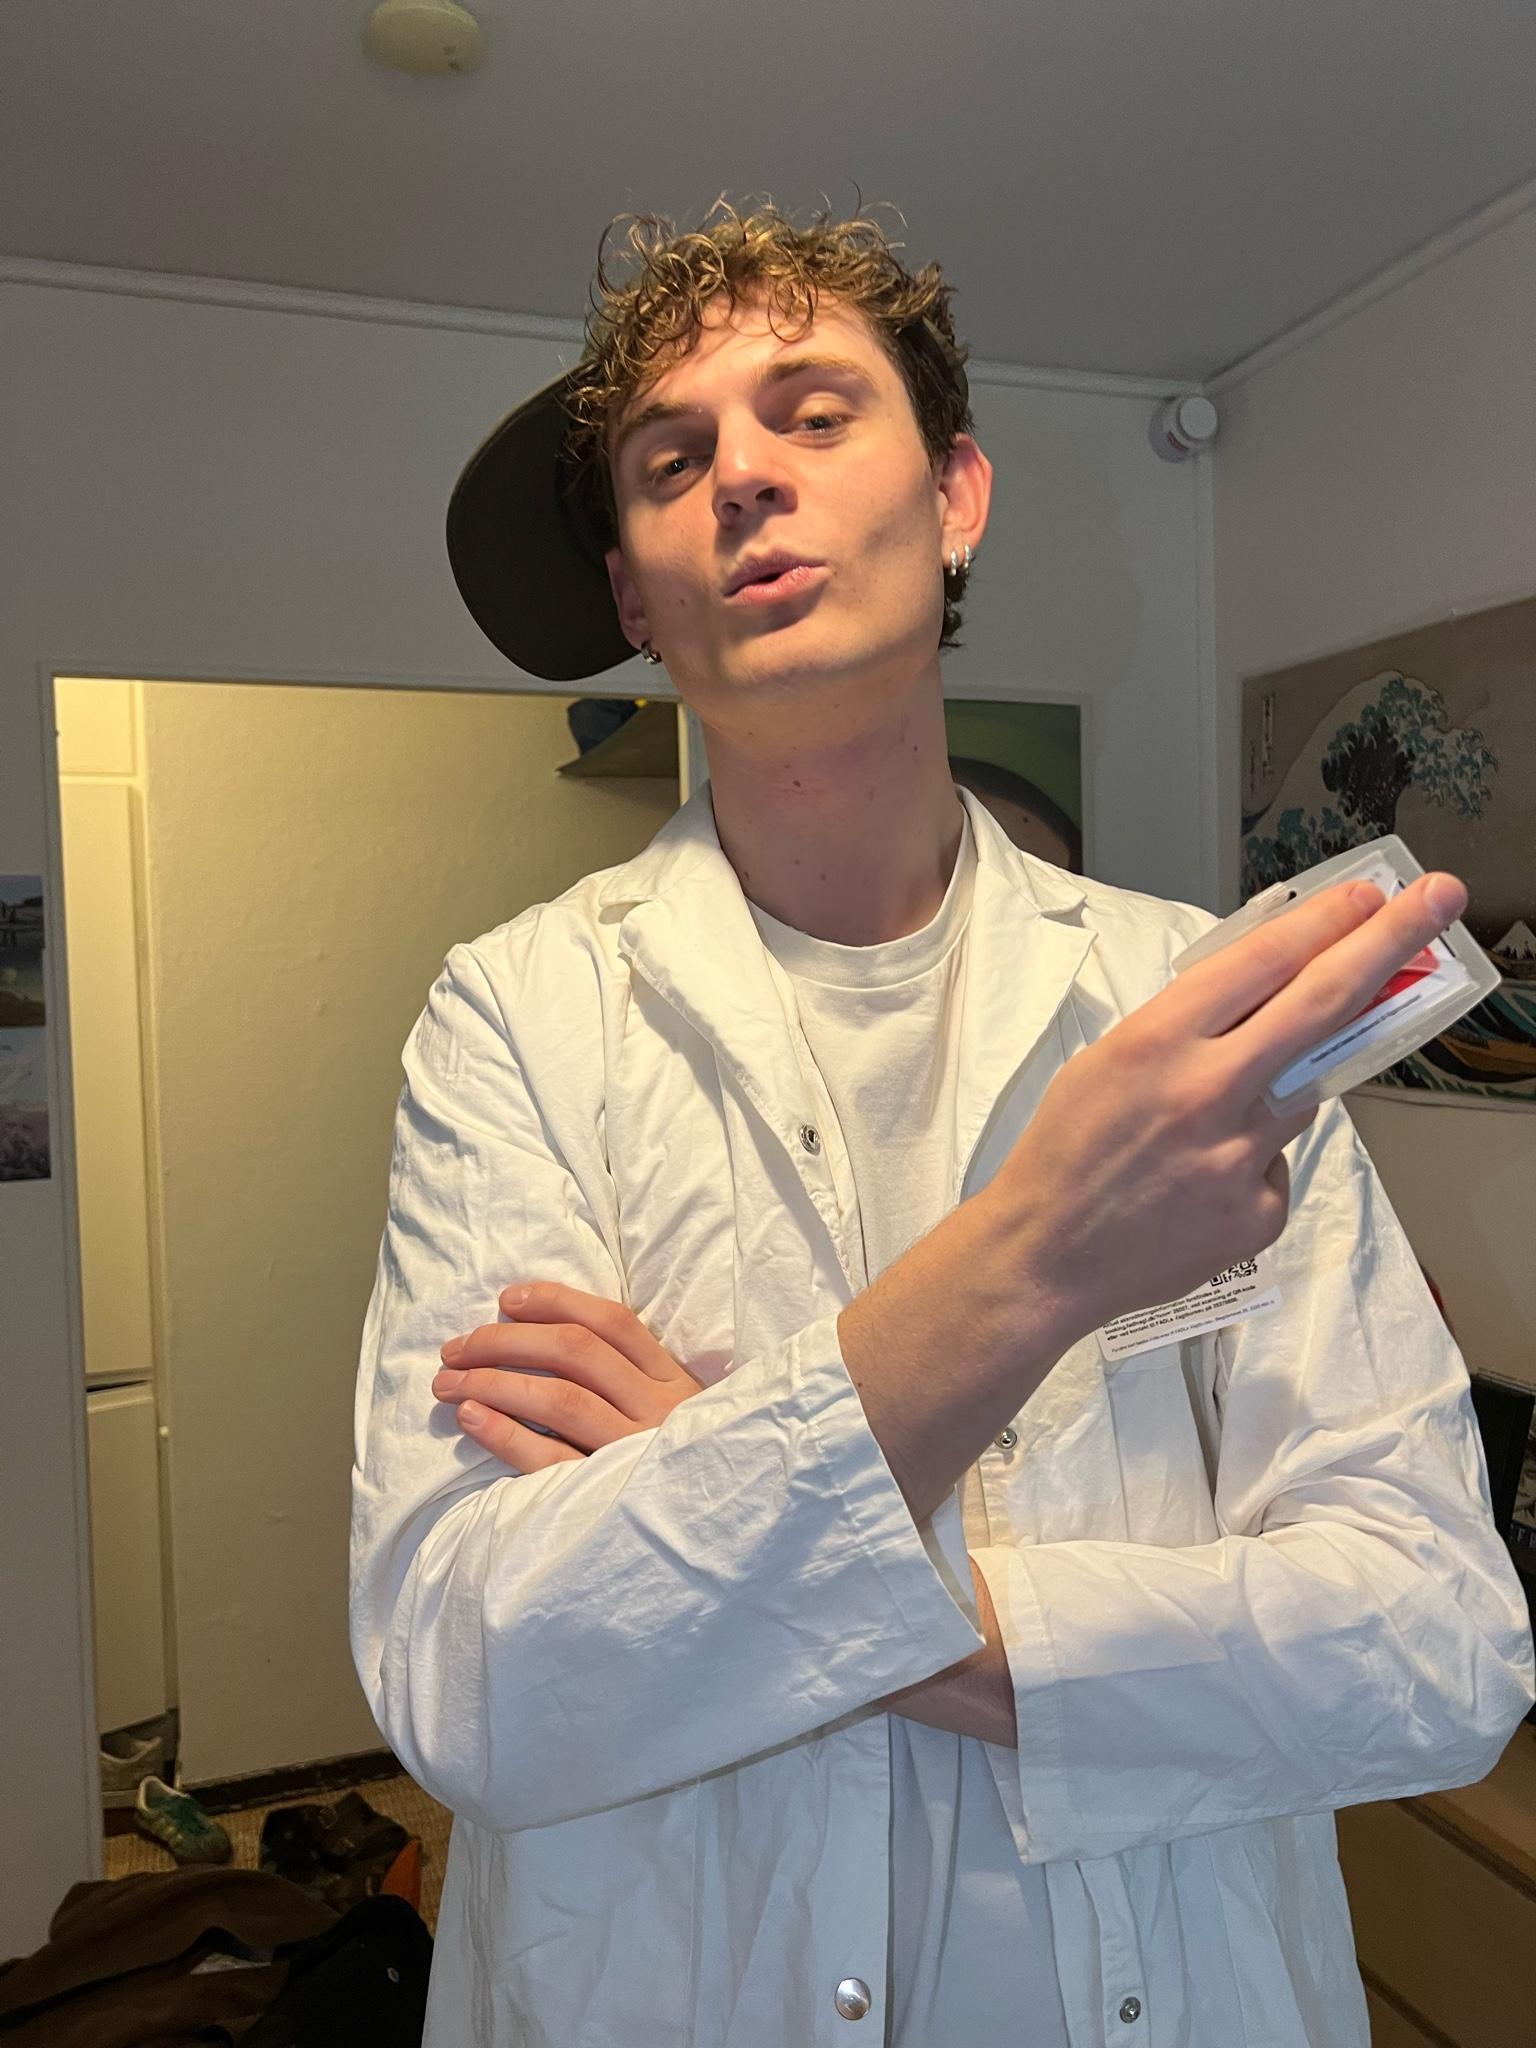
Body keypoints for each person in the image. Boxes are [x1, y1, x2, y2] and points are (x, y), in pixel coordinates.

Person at [348, 200, 1534, 2048]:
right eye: (671, 461)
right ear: (634, 597)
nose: (745, 475)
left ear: (957, 496)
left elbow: (1439, 1648)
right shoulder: (516, 1020)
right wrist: (1042, 1257)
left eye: (815, 414)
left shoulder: (1202, 1010)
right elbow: (478, 1678)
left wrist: (739, 1529)